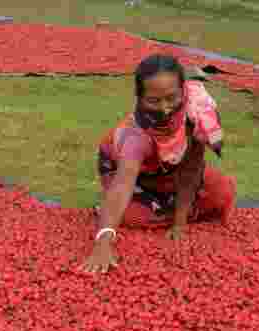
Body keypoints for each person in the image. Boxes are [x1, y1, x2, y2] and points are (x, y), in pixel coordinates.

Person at [78, 54, 237, 275]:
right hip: (126, 173)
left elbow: (191, 168)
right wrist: (103, 243)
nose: (165, 109)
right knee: (127, 215)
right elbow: (123, 183)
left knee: (223, 192)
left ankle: (163, 204)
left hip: (169, 170)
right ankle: (110, 210)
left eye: (171, 98)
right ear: (139, 97)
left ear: (183, 90)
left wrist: (180, 223)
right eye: (153, 101)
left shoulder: (195, 113)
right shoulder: (135, 135)